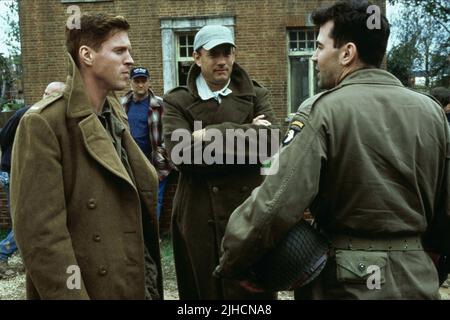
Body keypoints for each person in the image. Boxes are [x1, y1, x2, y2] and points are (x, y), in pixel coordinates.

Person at [215, 0, 450, 299]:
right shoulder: (432, 112)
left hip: (345, 284)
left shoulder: (321, 111)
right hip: (417, 278)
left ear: (347, 53)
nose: (313, 57)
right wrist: (427, 258)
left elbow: (275, 201)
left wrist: (235, 260)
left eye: (319, 47)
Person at [10, 14, 162, 300]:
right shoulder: (44, 123)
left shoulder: (114, 114)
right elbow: (42, 238)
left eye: (128, 50)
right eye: (119, 51)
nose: (129, 59)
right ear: (87, 56)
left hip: (131, 280)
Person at [162, 25, 279, 299]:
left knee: (251, 294)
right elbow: (182, 154)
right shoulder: (177, 100)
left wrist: (211, 133)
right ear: (196, 57)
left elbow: (271, 143)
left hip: (248, 212)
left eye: (228, 52)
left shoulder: (256, 94)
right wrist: (247, 131)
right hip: (199, 216)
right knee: (205, 293)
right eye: (214, 54)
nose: (222, 61)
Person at [0, 81, 65, 279]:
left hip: (31, 175)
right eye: (46, 93)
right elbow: (3, 136)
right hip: (12, 172)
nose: (47, 98)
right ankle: (2, 253)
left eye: (52, 95)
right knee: (25, 219)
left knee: (29, 218)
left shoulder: (54, 118)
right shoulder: (25, 113)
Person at [122, 67, 173, 222]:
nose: (140, 85)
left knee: (154, 199)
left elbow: (168, 134)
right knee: (132, 199)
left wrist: (162, 157)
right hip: (130, 162)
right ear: (130, 83)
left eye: (143, 81)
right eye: (136, 81)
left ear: (149, 82)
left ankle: (153, 237)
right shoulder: (122, 105)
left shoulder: (160, 105)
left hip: (154, 162)